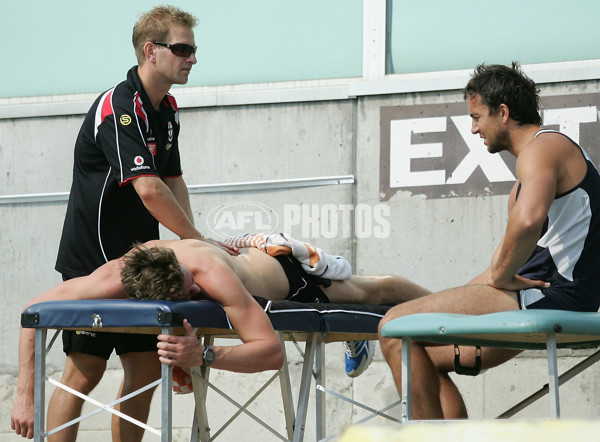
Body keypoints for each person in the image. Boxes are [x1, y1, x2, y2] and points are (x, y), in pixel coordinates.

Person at [11, 6, 236, 441]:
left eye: (194, 49)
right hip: (94, 257)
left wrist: (190, 244)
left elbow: (173, 181)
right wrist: (198, 241)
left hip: (143, 262)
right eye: (183, 48)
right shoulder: (120, 105)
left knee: (145, 369)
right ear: (151, 51)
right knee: (83, 371)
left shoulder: (166, 109)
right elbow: (149, 188)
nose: (192, 58)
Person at [12, 238, 430, 438]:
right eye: (184, 298)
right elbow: (32, 313)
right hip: (244, 253)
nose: (195, 294)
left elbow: (270, 353)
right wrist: (23, 393)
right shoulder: (112, 275)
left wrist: (203, 356)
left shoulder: (212, 276)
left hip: (287, 276)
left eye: (190, 287)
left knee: (377, 289)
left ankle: (460, 310)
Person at [378, 62, 600, 420]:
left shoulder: (545, 148)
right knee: (419, 351)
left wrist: (497, 278)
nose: (474, 127)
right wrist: (443, 302)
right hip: (536, 296)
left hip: (555, 297)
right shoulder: (526, 177)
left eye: (477, 116)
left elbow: (526, 226)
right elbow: (498, 266)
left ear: (504, 112)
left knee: (392, 328)